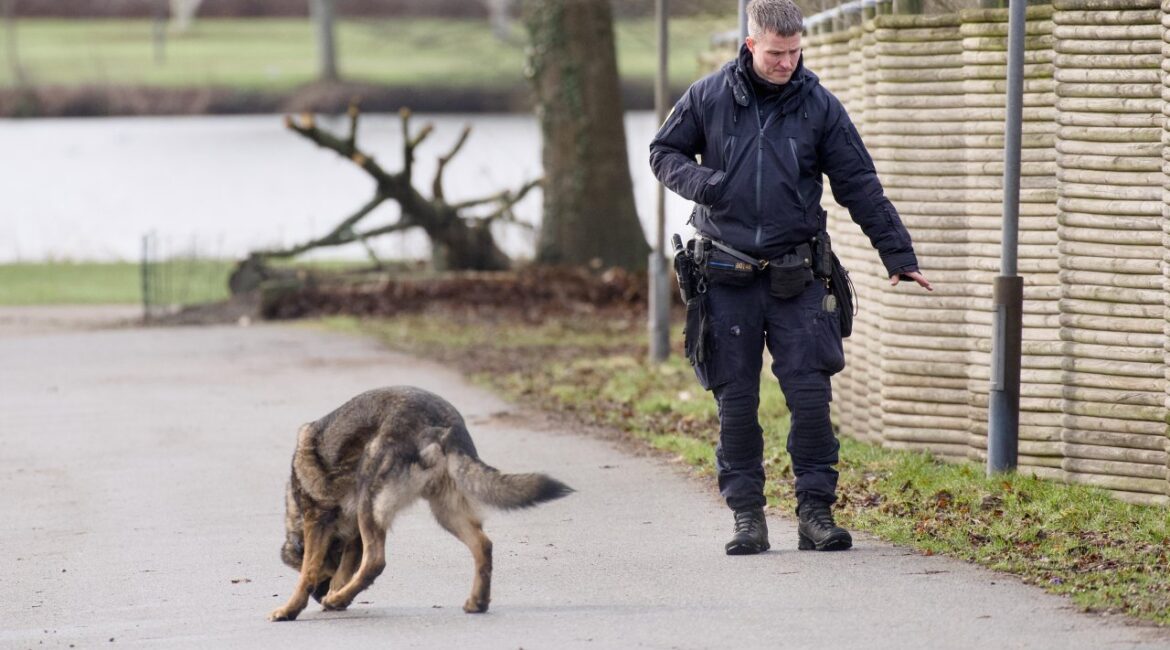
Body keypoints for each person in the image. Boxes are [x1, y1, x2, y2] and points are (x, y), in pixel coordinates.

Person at [650, 0, 932, 555]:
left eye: (794, 52)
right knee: (736, 402)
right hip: (726, 276)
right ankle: (748, 518)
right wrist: (704, 183)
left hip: (798, 276)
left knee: (809, 398)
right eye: (776, 53)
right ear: (751, 44)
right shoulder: (708, 97)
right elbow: (662, 151)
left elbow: (859, 184)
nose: (786, 63)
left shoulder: (819, 106)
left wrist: (898, 254)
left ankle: (815, 514)